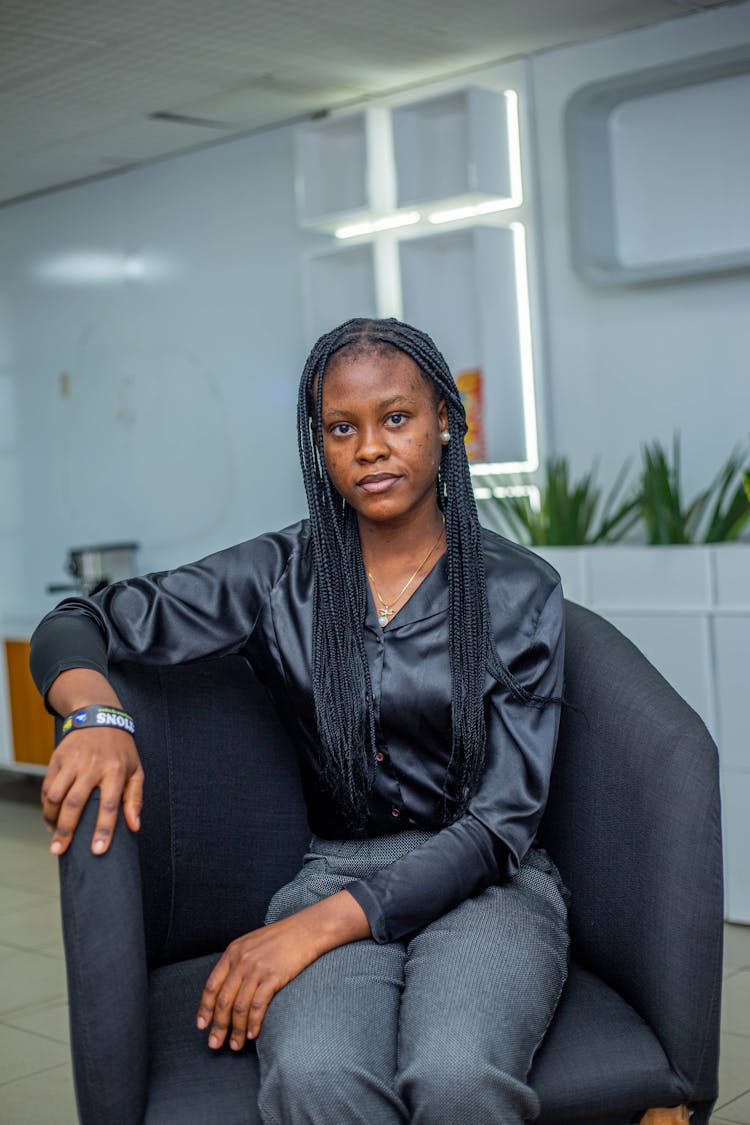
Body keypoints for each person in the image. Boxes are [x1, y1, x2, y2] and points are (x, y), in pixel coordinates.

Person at [30, 317, 568, 1124]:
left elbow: (502, 824)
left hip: (490, 881)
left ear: (445, 421)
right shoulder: (279, 573)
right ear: (319, 444)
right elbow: (81, 618)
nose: (370, 448)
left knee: (457, 1073)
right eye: (341, 428)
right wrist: (96, 711)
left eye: (396, 418)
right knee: (313, 1075)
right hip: (336, 865)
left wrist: (316, 928)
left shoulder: (519, 589)